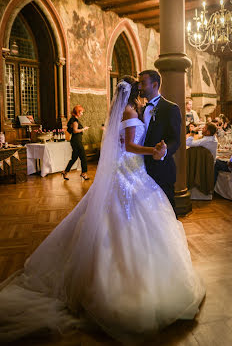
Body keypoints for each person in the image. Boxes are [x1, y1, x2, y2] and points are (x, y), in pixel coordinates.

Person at [0, 76, 205, 344]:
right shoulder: (131, 110)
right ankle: (118, 283)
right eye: (139, 86)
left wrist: (156, 151)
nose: (142, 89)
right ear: (134, 91)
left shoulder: (132, 109)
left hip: (133, 170)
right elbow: (130, 146)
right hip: (129, 172)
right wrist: (152, 150)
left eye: (145, 84)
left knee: (131, 219)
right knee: (124, 221)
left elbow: (128, 142)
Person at [138, 69, 181, 211]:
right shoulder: (140, 110)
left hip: (162, 170)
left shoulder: (170, 108)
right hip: (141, 169)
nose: (139, 87)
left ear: (155, 84)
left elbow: (175, 140)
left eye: (143, 83)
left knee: (167, 211)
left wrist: (164, 151)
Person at [62, 105, 90, 180]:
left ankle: (65, 172)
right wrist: (83, 129)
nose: (82, 114)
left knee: (74, 158)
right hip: (76, 141)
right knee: (83, 157)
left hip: (75, 141)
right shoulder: (75, 120)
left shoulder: (73, 119)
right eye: (81, 112)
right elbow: (75, 130)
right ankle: (84, 173)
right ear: (78, 112)